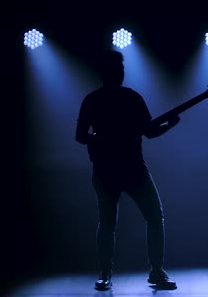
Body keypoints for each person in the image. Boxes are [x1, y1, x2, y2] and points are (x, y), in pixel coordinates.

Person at [75, 49, 179, 290]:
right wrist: (100, 140)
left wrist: (169, 124)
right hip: (112, 169)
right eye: (116, 70)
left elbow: (149, 131)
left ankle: (152, 271)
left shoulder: (126, 98)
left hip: (131, 168)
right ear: (106, 72)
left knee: (146, 218)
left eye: (121, 69)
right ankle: (108, 273)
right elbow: (81, 136)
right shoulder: (100, 100)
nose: (120, 74)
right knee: (113, 222)